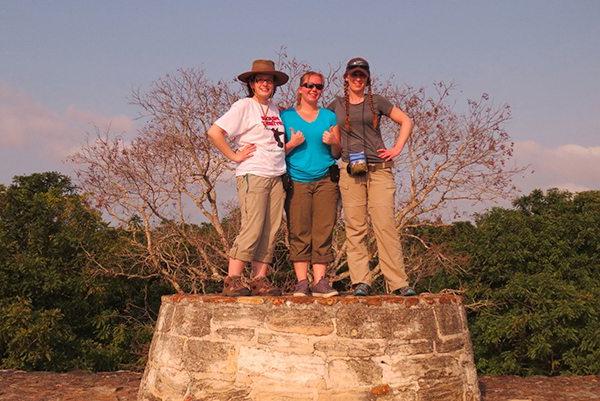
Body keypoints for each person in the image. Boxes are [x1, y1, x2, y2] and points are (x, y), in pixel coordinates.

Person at [328, 57, 416, 296]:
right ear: (346, 77)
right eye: (353, 74)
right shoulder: (334, 105)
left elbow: (406, 120)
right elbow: (324, 130)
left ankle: (398, 283)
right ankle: (361, 281)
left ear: (367, 79)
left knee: (384, 225)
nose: (358, 79)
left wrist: (396, 148)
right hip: (351, 169)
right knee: (355, 227)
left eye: (362, 75)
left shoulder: (376, 101)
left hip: (379, 169)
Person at [207, 59, 288, 296]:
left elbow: (275, 142)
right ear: (252, 83)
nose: (265, 84)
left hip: (276, 173)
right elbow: (215, 132)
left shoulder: (275, 109)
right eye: (260, 79)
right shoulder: (244, 106)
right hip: (254, 173)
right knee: (252, 226)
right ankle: (232, 278)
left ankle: (259, 279)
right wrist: (234, 155)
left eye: (269, 80)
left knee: (271, 229)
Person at [281, 71, 341, 298]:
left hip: (326, 179)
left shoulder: (329, 116)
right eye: (309, 85)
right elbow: (276, 150)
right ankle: (301, 282)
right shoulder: (286, 116)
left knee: (324, 229)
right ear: (300, 89)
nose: (313, 90)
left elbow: (337, 152)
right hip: (297, 180)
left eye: (318, 86)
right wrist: (292, 144)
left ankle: (320, 282)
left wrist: (334, 141)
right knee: (299, 230)